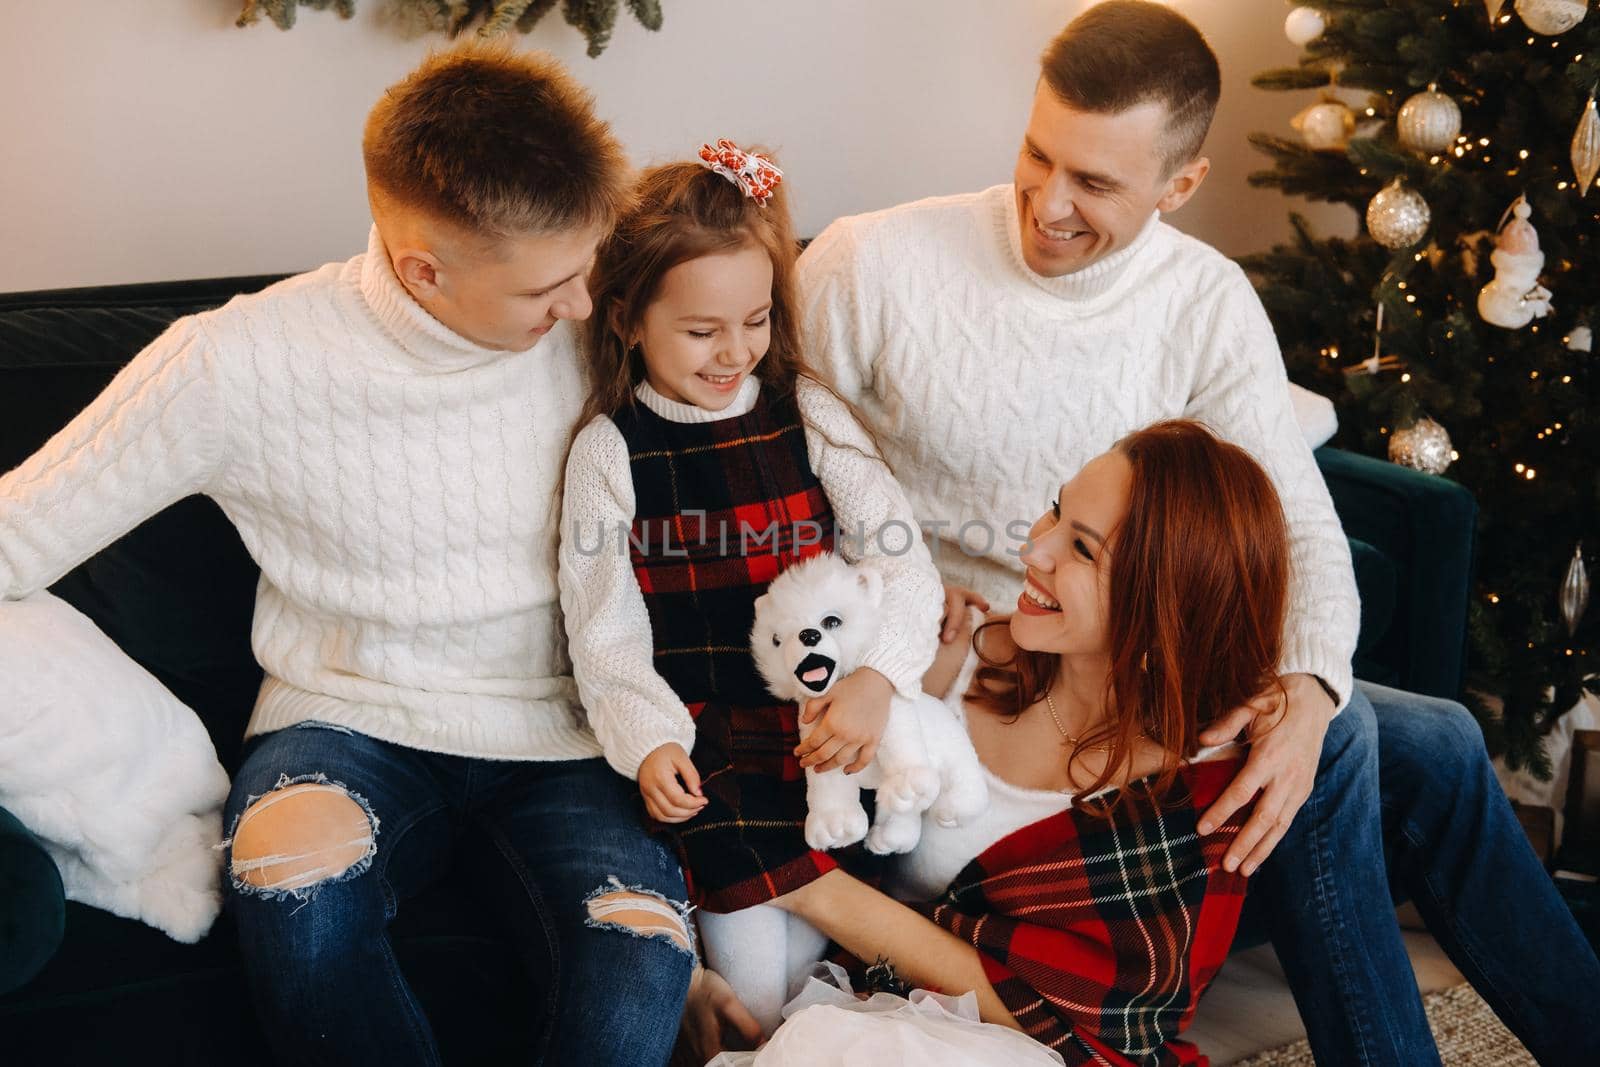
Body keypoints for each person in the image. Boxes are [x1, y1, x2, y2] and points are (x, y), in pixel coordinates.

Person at [786, 2, 1600, 1063]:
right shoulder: (869, 265)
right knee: (1371, 736)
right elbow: (764, 462)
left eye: (1096, 183)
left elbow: (1300, 523)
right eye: (1039, 154)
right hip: (966, 673)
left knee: (1412, 732)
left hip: (1123, 664)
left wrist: (1306, 688)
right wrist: (885, 611)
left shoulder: (1204, 302)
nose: (1048, 203)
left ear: (1179, 187)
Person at [0, 44, 694, 1067]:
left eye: (586, 268)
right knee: (294, 887)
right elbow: (20, 528)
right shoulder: (232, 364)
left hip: (566, 730)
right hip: (345, 721)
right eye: (549, 287)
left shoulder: (596, 319)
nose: (586, 307)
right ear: (424, 269)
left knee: (640, 967)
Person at [746, 420, 1288, 1064]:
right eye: (1056, 510)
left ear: (1165, 605)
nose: (1034, 551)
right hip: (881, 1011)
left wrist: (802, 886)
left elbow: (1092, 1017)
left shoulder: (1207, 787)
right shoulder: (946, 651)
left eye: (1083, 551)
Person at [557, 144, 944, 1034]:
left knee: (845, 959)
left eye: (756, 319)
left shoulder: (805, 411)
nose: (735, 351)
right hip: (708, 751)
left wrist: (878, 678)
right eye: (702, 331)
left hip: (828, 732)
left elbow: (899, 558)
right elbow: (603, 628)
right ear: (626, 318)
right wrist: (650, 741)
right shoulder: (610, 450)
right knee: (750, 983)